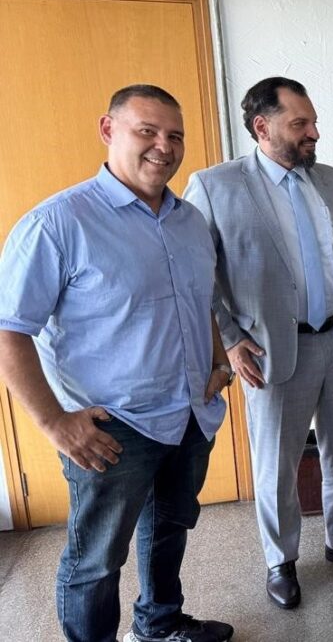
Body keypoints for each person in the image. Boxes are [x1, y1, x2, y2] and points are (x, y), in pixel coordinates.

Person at [0, 85, 233, 642]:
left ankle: (159, 624)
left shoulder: (189, 220)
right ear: (108, 130)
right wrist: (56, 423)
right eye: (146, 131)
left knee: (169, 530)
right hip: (112, 430)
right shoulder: (58, 224)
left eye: (174, 135)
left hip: (189, 416)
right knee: (96, 561)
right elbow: (10, 332)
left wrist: (220, 360)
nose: (164, 146)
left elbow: (199, 301)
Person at [183, 77, 333, 610]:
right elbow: (197, 276)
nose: (314, 132)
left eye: (313, 121)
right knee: (277, 464)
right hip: (271, 352)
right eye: (299, 123)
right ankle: (280, 560)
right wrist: (230, 344)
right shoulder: (216, 186)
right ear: (263, 126)